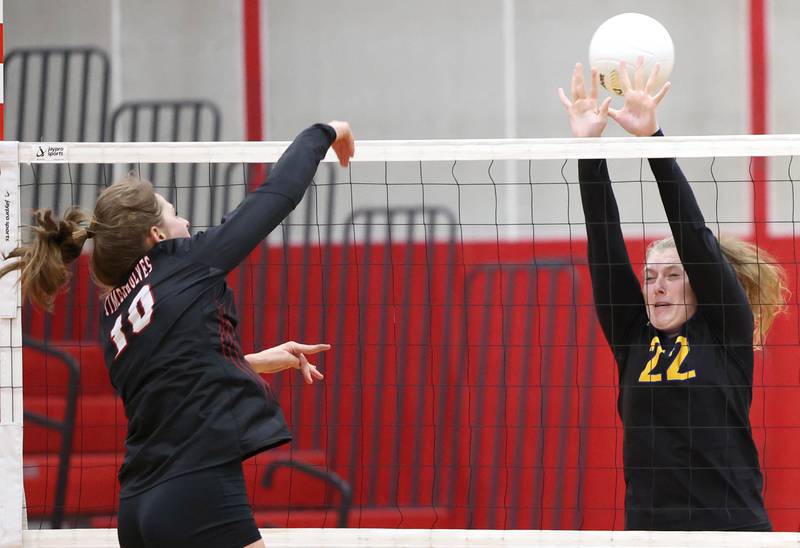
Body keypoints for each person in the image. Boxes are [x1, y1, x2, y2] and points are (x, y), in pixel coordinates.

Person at [0, 121, 355, 547]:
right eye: (174, 213)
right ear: (157, 235)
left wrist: (251, 362)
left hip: (137, 506)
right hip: (196, 489)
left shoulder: (115, 316)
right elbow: (277, 195)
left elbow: (171, 377)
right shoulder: (186, 263)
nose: (186, 221)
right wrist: (327, 131)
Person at [558, 60, 786, 530]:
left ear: (699, 283)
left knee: (688, 241)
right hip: (650, 534)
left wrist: (653, 141)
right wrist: (587, 147)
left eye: (674, 276)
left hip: (730, 532)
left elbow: (694, 235)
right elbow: (603, 241)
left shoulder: (725, 331)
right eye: (650, 276)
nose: (657, 287)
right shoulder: (631, 337)